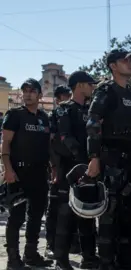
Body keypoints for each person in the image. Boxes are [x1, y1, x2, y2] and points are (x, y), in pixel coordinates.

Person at [85, 49, 131, 270]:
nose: (130, 63)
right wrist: (94, 157)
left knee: (128, 212)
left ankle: (126, 258)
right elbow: (93, 124)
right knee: (109, 214)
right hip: (112, 159)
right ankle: (106, 262)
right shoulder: (106, 91)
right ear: (113, 66)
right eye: (125, 60)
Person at [1, 78, 53, 269]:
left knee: (36, 216)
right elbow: (5, 145)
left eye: (32, 90)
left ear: (40, 95)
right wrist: (8, 169)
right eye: (25, 91)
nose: (28, 94)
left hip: (39, 173)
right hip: (18, 173)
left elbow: (48, 145)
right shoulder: (15, 115)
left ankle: (31, 254)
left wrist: (52, 169)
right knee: (16, 217)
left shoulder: (44, 118)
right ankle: (13, 259)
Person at [53, 71, 100, 270]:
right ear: (79, 85)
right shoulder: (64, 109)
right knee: (66, 216)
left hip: (89, 169)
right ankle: (61, 260)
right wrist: (84, 158)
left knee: (87, 214)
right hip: (70, 169)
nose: (93, 87)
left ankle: (88, 257)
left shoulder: (92, 110)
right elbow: (64, 137)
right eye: (90, 84)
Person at [45, 85, 73, 259]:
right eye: (63, 96)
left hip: (72, 165)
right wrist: (54, 167)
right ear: (56, 99)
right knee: (55, 207)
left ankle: (72, 242)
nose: (66, 98)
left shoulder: (73, 113)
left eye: (67, 95)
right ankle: (50, 244)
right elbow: (50, 144)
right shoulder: (53, 116)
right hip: (58, 165)